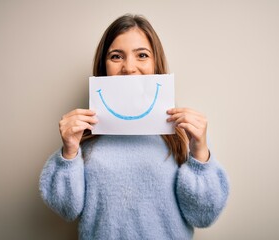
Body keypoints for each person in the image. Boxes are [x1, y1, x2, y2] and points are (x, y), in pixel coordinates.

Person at [39, 14, 229, 240]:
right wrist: (69, 152)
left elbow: (203, 216)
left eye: (142, 55)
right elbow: (66, 209)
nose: (129, 68)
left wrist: (200, 153)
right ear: (103, 66)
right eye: (116, 56)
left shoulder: (181, 135)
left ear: (155, 63)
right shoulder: (84, 136)